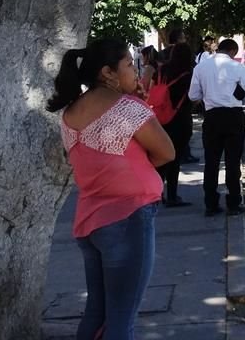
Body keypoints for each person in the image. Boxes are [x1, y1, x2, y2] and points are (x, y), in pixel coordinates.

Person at [46, 38, 175, 340]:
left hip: (91, 221)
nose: (135, 70)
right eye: (129, 64)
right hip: (129, 217)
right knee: (121, 321)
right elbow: (166, 152)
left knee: (97, 313)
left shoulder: (71, 113)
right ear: (108, 72)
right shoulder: (127, 108)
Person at [189, 38, 245, 216]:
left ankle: (211, 203)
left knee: (211, 162)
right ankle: (234, 203)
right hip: (234, 116)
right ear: (233, 51)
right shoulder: (237, 67)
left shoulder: (201, 67)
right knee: (233, 162)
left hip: (212, 117)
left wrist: (209, 93)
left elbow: (193, 95)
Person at [156, 43, 195, 207]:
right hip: (180, 119)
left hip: (160, 119)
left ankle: (156, 193)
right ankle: (172, 195)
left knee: (161, 159)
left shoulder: (162, 70)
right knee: (175, 159)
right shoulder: (189, 74)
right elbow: (194, 97)